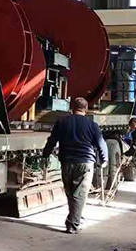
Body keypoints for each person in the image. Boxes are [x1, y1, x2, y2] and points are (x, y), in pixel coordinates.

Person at [41, 97, 108, 234]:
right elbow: (101, 143)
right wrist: (104, 159)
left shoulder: (62, 122)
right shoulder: (92, 125)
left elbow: (52, 140)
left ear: (72, 108)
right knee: (79, 194)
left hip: (67, 161)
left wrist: (45, 155)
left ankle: (75, 217)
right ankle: (73, 224)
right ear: (86, 109)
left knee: (70, 192)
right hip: (85, 162)